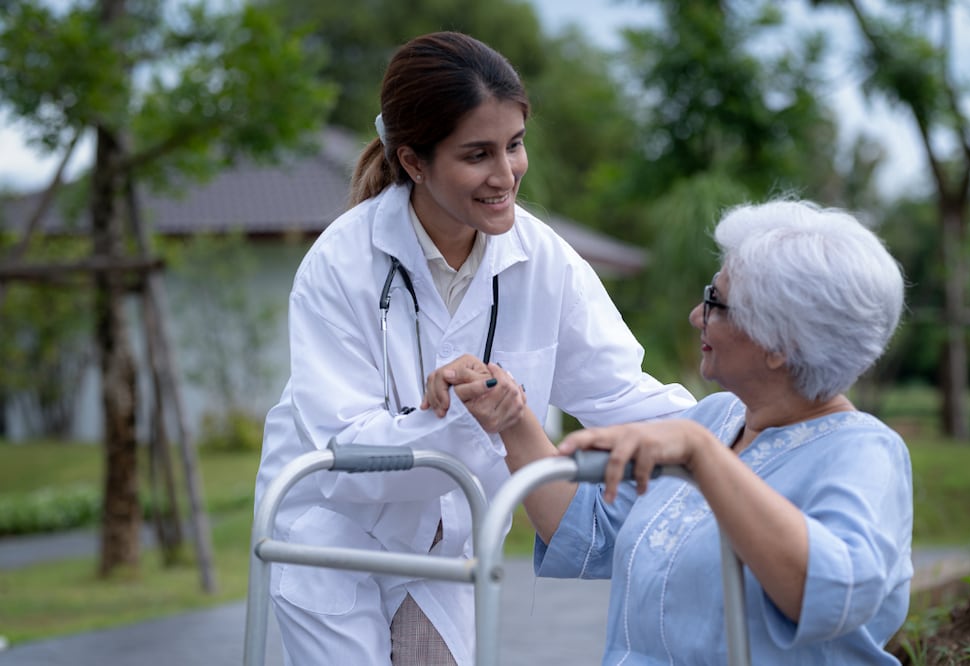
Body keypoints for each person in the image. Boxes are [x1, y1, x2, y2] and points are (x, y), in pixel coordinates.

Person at [252, 31, 695, 666]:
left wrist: (746, 431)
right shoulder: (341, 263)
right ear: (413, 161)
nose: (504, 174)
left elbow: (622, 395)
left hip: (443, 545)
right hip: (333, 536)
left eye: (514, 145)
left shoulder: (544, 262)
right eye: (477, 154)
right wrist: (461, 417)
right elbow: (341, 447)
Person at [431, 198, 913, 663]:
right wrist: (511, 417)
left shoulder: (864, 454)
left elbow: (831, 594)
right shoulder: (717, 419)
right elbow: (590, 529)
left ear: (779, 344)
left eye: (716, 303)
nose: (696, 316)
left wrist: (704, 457)